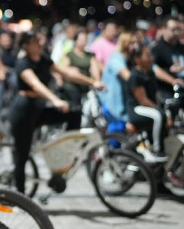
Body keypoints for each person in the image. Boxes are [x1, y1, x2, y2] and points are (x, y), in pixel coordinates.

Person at [10, 30, 103, 194]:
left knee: (74, 114)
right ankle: (20, 196)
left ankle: (66, 153)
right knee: (22, 155)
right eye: (35, 41)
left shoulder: (44, 59)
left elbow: (66, 73)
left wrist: (92, 82)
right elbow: (35, 84)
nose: (40, 43)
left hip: (39, 107)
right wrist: (55, 100)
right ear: (27, 45)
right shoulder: (23, 62)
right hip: (24, 109)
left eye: (40, 40)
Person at [126, 46, 169, 162]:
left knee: (164, 114)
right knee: (159, 116)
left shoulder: (150, 73)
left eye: (150, 55)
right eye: (147, 56)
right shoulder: (135, 75)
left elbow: (155, 95)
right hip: (137, 109)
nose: (150, 58)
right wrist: (160, 110)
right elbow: (143, 100)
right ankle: (158, 150)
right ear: (137, 59)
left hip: (149, 108)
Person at [61, 30, 100, 104]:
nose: (83, 42)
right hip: (72, 85)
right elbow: (64, 69)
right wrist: (69, 69)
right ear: (76, 41)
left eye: (85, 39)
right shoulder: (69, 54)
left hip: (86, 84)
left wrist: (97, 81)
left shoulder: (90, 56)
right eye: (81, 40)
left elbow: (95, 69)